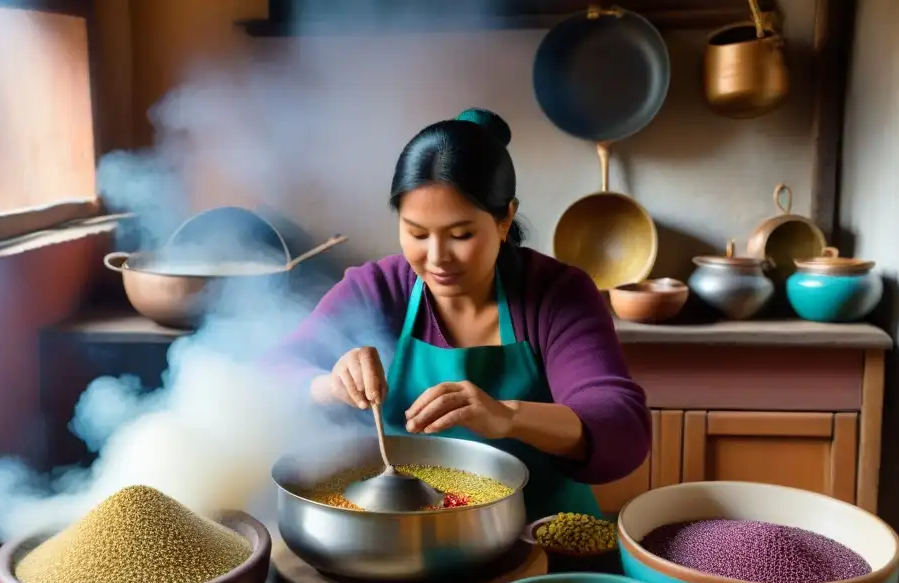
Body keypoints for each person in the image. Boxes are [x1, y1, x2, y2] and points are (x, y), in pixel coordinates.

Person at [269, 108, 651, 520]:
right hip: (398, 534)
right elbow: (268, 375)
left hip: (539, 534)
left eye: (461, 235)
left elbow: (622, 430)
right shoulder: (377, 288)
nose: (437, 259)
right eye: (416, 233)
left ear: (505, 218)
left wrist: (509, 416)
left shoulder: (557, 294)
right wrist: (329, 385)